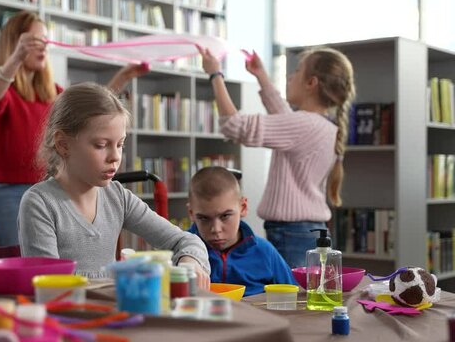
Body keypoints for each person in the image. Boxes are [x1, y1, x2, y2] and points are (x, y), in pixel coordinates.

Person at [0, 11, 148, 247]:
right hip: (8, 193)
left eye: (45, 41)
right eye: (34, 41)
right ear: (15, 44)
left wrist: (123, 76)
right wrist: (16, 58)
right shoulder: (0, 86)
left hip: (51, 187)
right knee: (19, 260)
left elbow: (92, 114)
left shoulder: (52, 91)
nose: (42, 47)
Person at [18, 82, 210, 288]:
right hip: (70, 317)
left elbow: (187, 241)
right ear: (63, 144)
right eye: (101, 145)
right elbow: (51, 287)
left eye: (120, 144)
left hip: (115, 314)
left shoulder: (117, 196)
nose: (115, 157)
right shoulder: (40, 203)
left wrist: (190, 262)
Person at [197, 46, 355, 268]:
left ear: (311, 83)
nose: (291, 77)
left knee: (290, 300)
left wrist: (215, 75)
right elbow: (285, 117)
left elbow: (234, 126)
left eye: (298, 71)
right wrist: (261, 76)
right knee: (305, 298)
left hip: (291, 233)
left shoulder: (304, 124)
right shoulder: (321, 124)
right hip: (306, 230)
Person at [186, 166, 296, 296]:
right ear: (191, 213)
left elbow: (293, 299)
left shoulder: (265, 252)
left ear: (243, 207)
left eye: (225, 216)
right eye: (204, 218)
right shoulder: (180, 254)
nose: (216, 229)